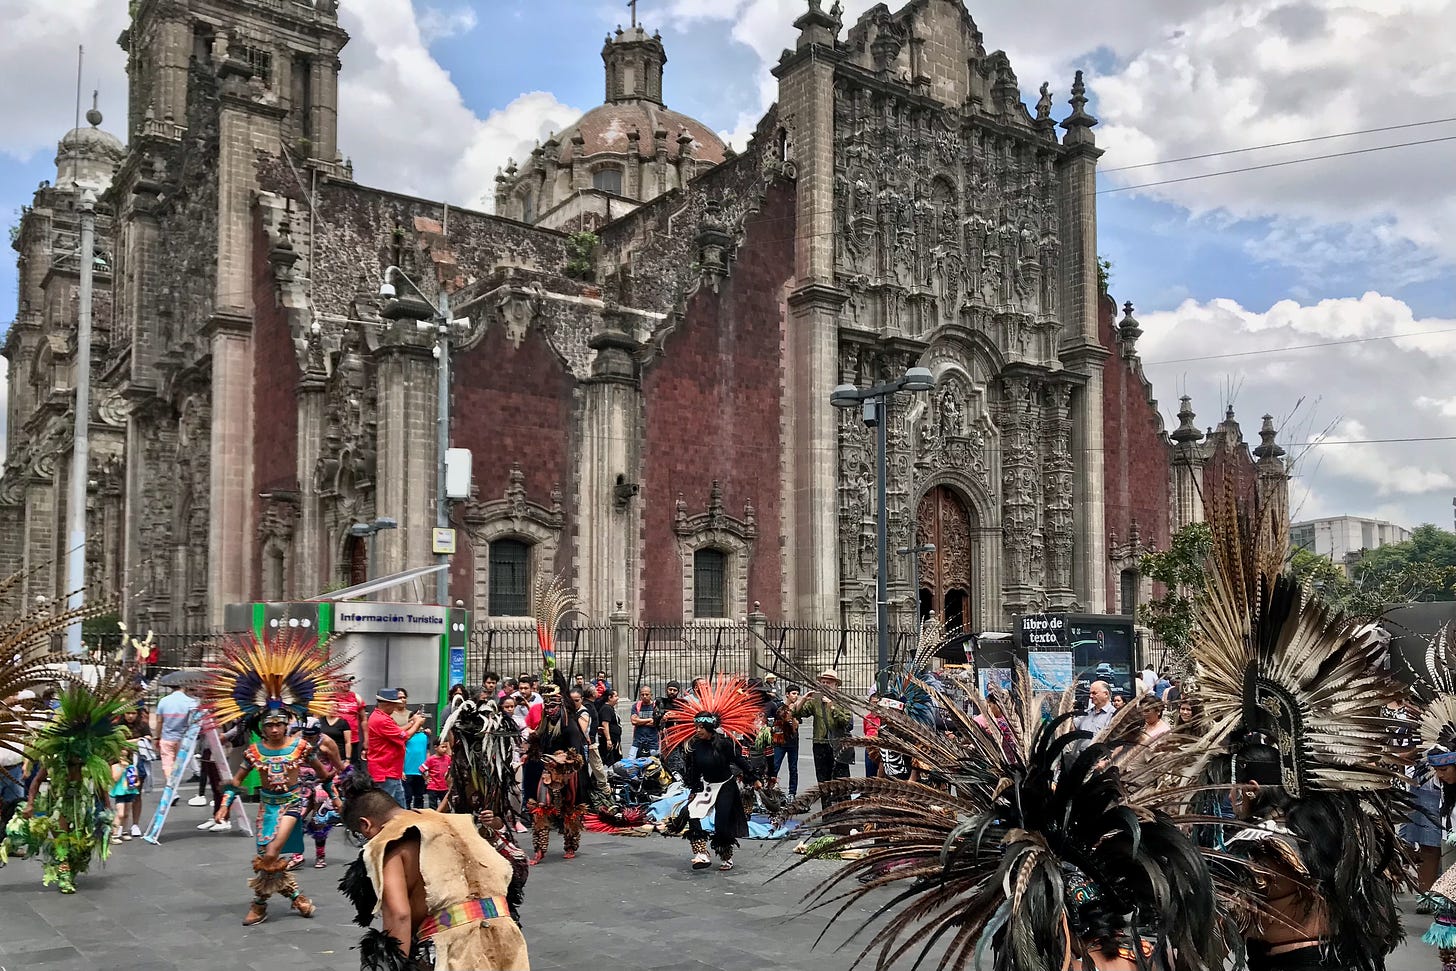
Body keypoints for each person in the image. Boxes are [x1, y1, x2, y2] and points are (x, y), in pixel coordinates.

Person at [201, 631, 348, 926]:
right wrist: (224, 806)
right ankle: (296, 898)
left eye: (280, 724)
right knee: (267, 859)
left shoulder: (302, 747)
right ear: (262, 727)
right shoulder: (255, 751)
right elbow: (236, 781)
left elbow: (324, 775)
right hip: (267, 808)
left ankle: (258, 906)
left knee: (272, 851)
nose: (276, 729)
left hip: (293, 804)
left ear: (287, 724)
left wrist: (335, 798)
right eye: (270, 725)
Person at [335, 774, 530, 970]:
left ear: (365, 825)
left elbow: (399, 916)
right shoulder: (454, 823)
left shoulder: (390, 843)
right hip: (507, 938)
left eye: (359, 835)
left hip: (454, 950)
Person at [13, 684, 137, 893]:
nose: (77, 757)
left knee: (80, 842)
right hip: (58, 803)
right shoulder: (56, 759)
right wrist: (31, 803)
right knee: (62, 838)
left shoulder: (89, 762)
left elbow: (99, 784)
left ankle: (69, 870)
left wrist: (107, 809)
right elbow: (36, 781)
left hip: (81, 804)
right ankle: (64, 875)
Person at [661, 676, 762, 871]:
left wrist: (754, 778)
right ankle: (701, 854)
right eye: (696, 727)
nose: (697, 731)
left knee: (721, 822)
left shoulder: (724, 744)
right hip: (706, 786)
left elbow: (740, 761)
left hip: (725, 786)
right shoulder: (696, 746)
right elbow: (694, 769)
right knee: (692, 815)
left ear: (710, 729)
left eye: (701, 728)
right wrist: (693, 789)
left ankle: (726, 855)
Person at [521, 683, 589, 863]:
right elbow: (536, 743)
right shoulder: (544, 725)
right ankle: (539, 850)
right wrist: (529, 749)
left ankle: (570, 845)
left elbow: (576, 753)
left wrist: (562, 758)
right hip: (548, 773)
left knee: (570, 809)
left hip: (567, 774)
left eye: (553, 706)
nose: (549, 709)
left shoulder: (570, 726)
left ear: (560, 705)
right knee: (541, 807)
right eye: (547, 706)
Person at [366, 688, 426, 808]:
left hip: (391, 771)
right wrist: (417, 724)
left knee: (399, 806)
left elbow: (397, 731)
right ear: (386, 704)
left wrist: (412, 722)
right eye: (393, 705)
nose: (395, 708)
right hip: (385, 772)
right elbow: (405, 736)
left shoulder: (382, 717)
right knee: (388, 808)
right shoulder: (381, 720)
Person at [793, 669, 852, 788]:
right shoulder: (815, 701)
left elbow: (845, 721)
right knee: (822, 779)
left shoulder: (843, 700)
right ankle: (826, 804)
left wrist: (832, 707)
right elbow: (797, 713)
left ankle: (842, 805)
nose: (825, 685)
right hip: (820, 743)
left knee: (841, 780)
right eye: (823, 682)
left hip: (837, 743)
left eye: (828, 682)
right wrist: (804, 698)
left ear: (836, 685)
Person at [152, 683, 200, 786]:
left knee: (167, 763)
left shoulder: (164, 701)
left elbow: (159, 721)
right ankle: (176, 780)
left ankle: (171, 784)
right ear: (184, 687)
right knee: (180, 762)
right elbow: (195, 719)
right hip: (182, 737)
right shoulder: (190, 702)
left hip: (167, 736)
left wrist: (157, 737)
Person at [771, 684, 801, 797]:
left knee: (793, 768)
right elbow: (777, 719)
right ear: (787, 695)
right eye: (793, 694)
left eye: (797, 694)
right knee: (775, 766)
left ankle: (792, 792)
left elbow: (797, 725)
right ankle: (771, 788)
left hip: (793, 742)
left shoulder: (797, 709)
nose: (796, 696)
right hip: (780, 742)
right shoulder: (779, 706)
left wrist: (793, 714)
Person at [334, 676, 367, 766]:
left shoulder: (356, 697)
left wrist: (366, 740)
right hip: (334, 739)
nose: (348, 683)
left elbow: (363, 719)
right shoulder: (329, 698)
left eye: (350, 681)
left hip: (352, 740)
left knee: (352, 767)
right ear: (336, 683)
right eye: (345, 681)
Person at [404, 725, 431, 810]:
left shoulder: (425, 736)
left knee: (419, 797)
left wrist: (427, 768)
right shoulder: (406, 735)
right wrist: (401, 770)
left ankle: (419, 818)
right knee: (407, 797)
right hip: (407, 771)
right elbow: (400, 753)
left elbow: (427, 752)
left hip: (420, 772)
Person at [629, 686, 659, 759]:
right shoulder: (636, 706)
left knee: (653, 762)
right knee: (631, 760)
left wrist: (639, 721)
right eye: (642, 695)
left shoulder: (656, 706)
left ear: (651, 695)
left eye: (647, 694)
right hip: (638, 740)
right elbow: (634, 721)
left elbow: (654, 723)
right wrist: (649, 719)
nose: (644, 696)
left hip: (652, 741)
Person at [596, 688, 622, 768]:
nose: (617, 698)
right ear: (610, 698)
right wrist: (608, 739)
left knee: (614, 758)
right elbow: (605, 724)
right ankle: (595, 778)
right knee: (605, 758)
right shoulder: (606, 709)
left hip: (615, 739)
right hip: (609, 739)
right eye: (615, 696)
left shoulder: (610, 708)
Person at [423, 742, 451, 810]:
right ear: (436, 747)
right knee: (433, 806)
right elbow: (422, 769)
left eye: (446, 747)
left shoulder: (448, 758)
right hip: (433, 787)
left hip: (444, 787)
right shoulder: (431, 759)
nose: (444, 749)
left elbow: (450, 769)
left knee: (446, 807)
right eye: (442, 747)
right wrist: (426, 778)